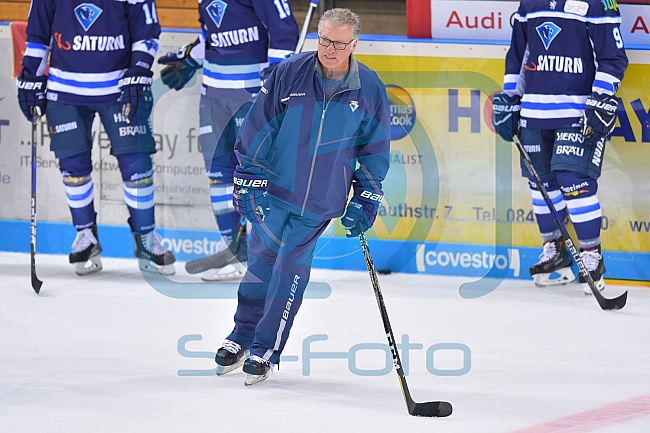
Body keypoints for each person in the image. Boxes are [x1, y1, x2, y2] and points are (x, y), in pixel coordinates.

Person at [213, 8, 391, 386]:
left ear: (354, 45)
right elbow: (258, 127)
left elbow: (374, 150)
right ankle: (241, 335)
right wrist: (246, 176)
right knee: (260, 263)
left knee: (288, 268)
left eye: (339, 43)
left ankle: (266, 347)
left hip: (320, 201)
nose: (330, 48)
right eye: (325, 40)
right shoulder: (288, 72)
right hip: (274, 192)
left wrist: (367, 197)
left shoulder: (370, 88)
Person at [16, 0, 176, 276]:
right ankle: (85, 234)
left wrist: (139, 69)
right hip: (64, 90)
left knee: (136, 166)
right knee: (73, 167)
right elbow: (38, 36)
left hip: (120, 87)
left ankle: (146, 237)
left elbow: (146, 32)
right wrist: (31, 76)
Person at [492, 0, 628, 294]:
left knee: (575, 182)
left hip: (578, 112)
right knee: (541, 184)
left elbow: (613, 58)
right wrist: (510, 97)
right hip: (534, 113)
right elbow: (517, 55)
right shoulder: (530, 4)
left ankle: (591, 256)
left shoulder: (599, 3)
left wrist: (602, 95)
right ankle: (555, 250)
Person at [158, 0, 299, 281]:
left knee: (255, 173)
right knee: (217, 173)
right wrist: (190, 55)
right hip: (212, 96)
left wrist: (277, 74)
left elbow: (284, 32)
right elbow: (213, 38)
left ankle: (261, 252)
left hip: (251, 97)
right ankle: (234, 251)